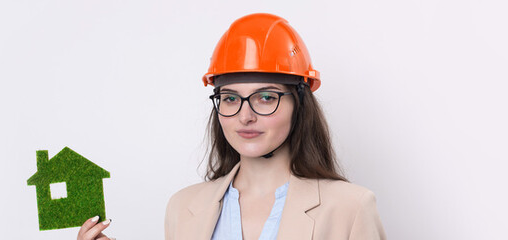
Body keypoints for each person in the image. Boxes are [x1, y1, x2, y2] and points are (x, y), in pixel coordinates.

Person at [77, 13, 386, 240]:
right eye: (230, 98)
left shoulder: (351, 207)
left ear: (300, 104)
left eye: (266, 97)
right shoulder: (182, 207)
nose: (245, 115)